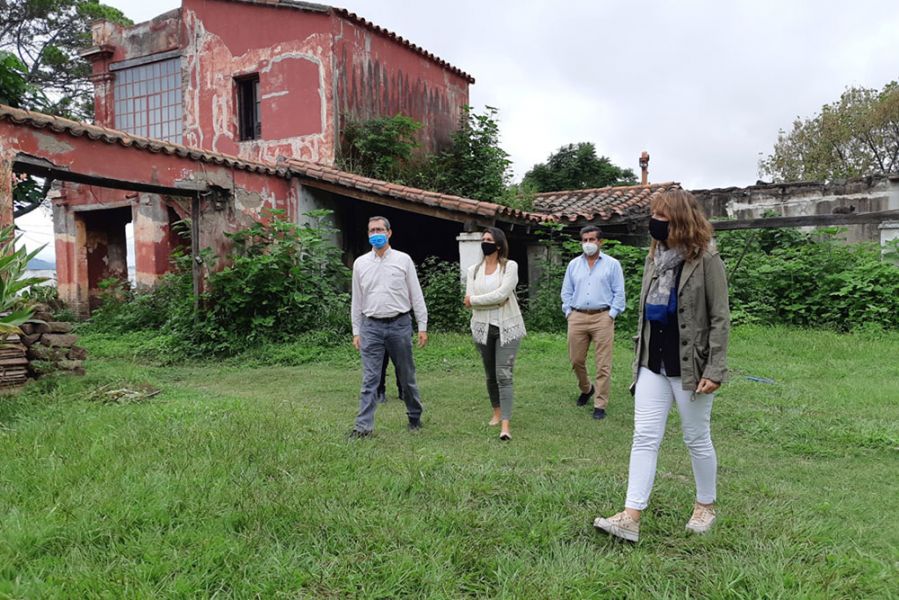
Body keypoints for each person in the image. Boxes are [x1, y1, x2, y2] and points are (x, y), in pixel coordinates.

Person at [594, 189, 730, 542]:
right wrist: (638, 359)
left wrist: (715, 369)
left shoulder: (707, 259)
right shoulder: (656, 256)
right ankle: (631, 515)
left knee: (696, 437)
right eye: (653, 215)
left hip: (691, 366)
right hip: (652, 363)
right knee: (644, 437)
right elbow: (644, 313)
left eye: (661, 217)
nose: (654, 223)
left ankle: (705, 506)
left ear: (681, 221)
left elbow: (719, 318)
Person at [349, 216, 428, 437]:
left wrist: (422, 325)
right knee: (370, 379)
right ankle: (363, 427)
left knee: (406, 375)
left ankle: (414, 416)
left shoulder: (403, 260)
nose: (376, 233)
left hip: (399, 324)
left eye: (380, 230)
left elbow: (416, 294)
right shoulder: (360, 264)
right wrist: (356, 330)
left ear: (389, 233)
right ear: (368, 234)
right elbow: (357, 300)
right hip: (371, 326)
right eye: (372, 230)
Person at [464, 227, 526, 441]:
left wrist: (476, 301)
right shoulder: (473, 270)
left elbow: (502, 294)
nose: (484, 242)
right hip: (482, 327)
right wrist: (484, 301)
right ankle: (497, 412)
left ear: (498, 244)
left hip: (507, 328)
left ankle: (506, 425)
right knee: (490, 374)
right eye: (483, 239)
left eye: (489, 239)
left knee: (503, 374)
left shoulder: (510, 266)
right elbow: (469, 297)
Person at [561, 225, 626, 420]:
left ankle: (600, 404)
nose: (588, 244)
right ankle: (586, 388)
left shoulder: (612, 264)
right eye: (585, 240)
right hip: (577, 316)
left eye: (592, 240)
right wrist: (568, 312)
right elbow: (566, 291)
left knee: (603, 364)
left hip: (602, 317)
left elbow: (619, 292)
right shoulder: (573, 265)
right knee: (576, 360)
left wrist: (612, 314)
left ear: (600, 242)